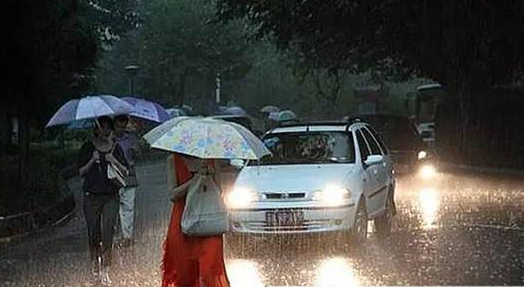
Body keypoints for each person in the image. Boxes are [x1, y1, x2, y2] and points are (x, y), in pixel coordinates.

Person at [162, 153, 230, 287]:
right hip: (183, 221)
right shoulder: (173, 159)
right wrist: (194, 181)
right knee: (185, 275)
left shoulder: (212, 159)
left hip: (209, 221)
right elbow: (173, 194)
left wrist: (208, 177)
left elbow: (219, 190)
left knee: (209, 270)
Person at [77, 116, 128, 286]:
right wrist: (93, 160)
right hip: (91, 197)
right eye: (102, 127)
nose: (106, 131)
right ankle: (95, 265)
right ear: (96, 129)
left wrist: (114, 161)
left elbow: (126, 171)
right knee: (93, 232)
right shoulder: (87, 147)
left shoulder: (116, 148)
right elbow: (81, 172)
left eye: (108, 128)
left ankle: (106, 269)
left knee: (108, 231)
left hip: (111, 196)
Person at [113, 115, 141, 248]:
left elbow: (140, 155)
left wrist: (136, 151)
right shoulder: (109, 139)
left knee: (128, 206)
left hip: (129, 173)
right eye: (119, 126)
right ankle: (116, 234)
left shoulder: (131, 139)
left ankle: (127, 237)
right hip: (113, 175)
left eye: (124, 127)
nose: (121, 129)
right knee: (115, 206)